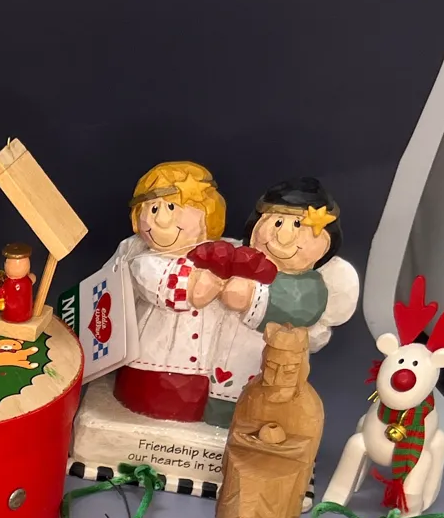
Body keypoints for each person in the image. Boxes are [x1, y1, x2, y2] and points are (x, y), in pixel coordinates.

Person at [202, 178, 358, 426]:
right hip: (211, 360)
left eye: (298, 225)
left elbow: (298, 308)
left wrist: (250, 296)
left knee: (246, 407)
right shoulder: (238, 257)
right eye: (277, 222)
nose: (283, 237)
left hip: (257, 364)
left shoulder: (309, 285)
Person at [112, 161, 231, 423]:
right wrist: (208, 282)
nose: (162, 219)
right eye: (153, 208)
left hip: (207, 366)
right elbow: (181, 289)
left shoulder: (220, 251)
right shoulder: (144, 261)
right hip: (153, 361)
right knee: (153, 401)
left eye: (174, 207)